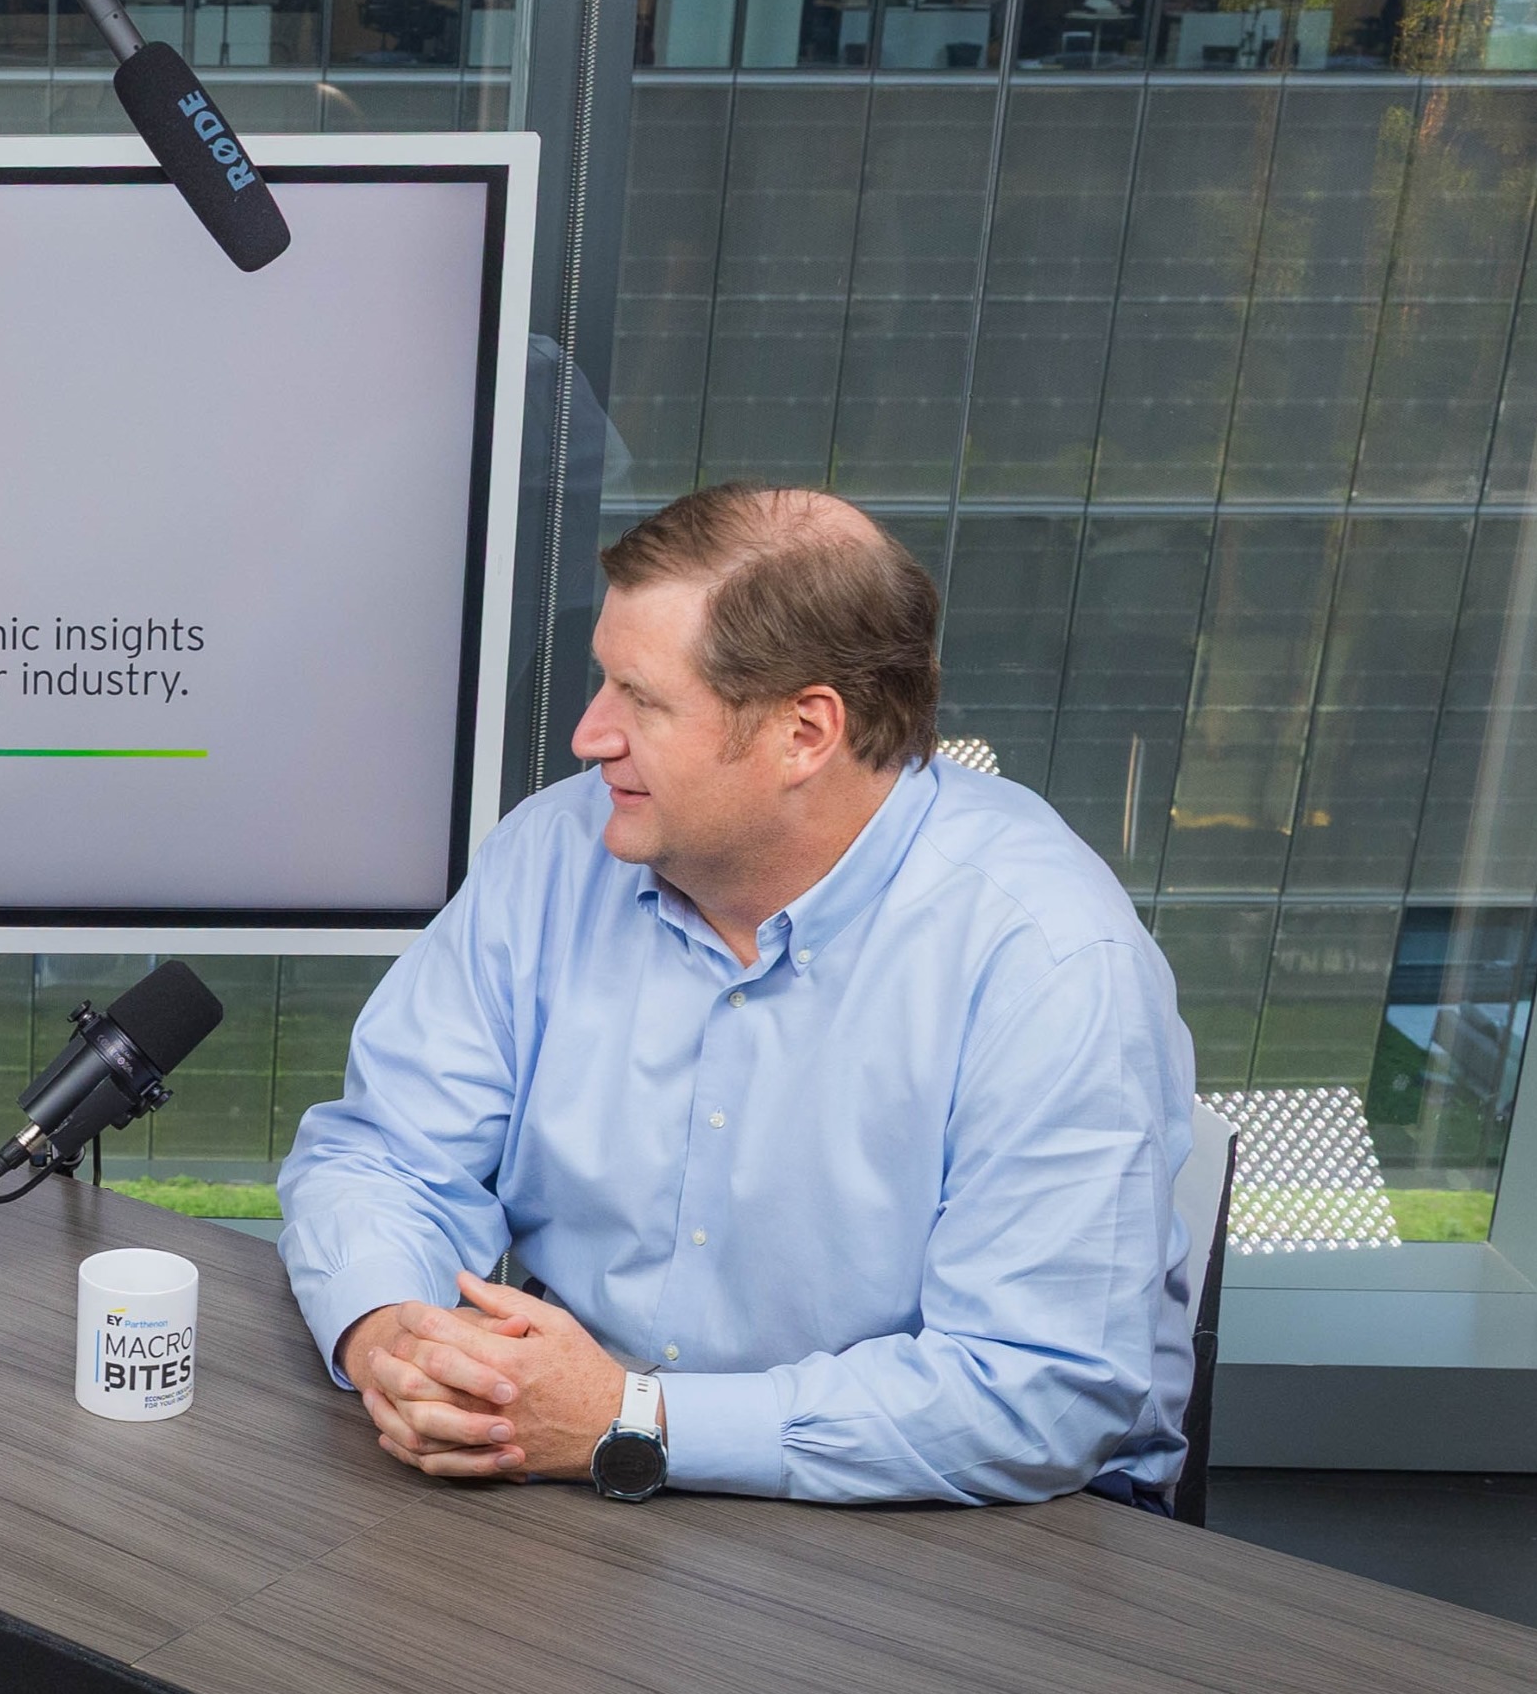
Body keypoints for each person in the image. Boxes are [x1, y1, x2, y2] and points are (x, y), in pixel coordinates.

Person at [277, 483, 1197, 1507]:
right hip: (574, 1452)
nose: (589, 735)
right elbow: (384, 1156)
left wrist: (633, 1418)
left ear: (805, 731)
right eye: (601, 681)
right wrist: (391, 1338)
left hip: (966, 1512)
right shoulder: (555, 852)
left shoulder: (1050, 957)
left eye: (642, 699)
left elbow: (1035, 1394)